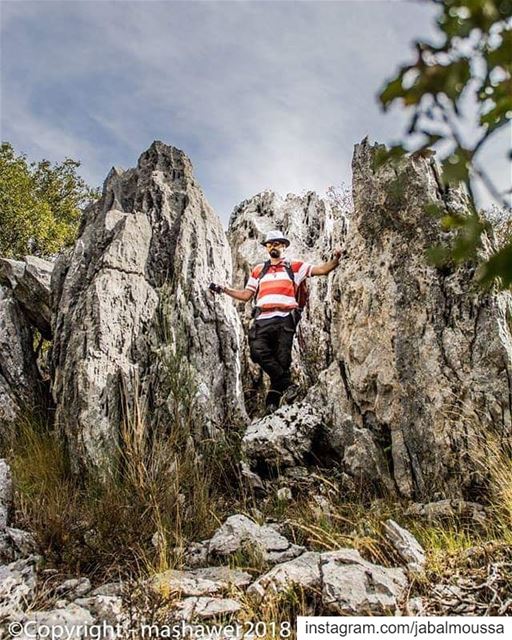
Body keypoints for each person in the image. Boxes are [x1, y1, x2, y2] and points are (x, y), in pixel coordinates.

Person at [209, 230, 343, 414]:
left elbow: (322, 270)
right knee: (257, 352)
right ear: (266, 248)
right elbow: (246, 295)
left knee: (282, 362)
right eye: (270, 244)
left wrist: (336, 260)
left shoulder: (295, 267)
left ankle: (271, 407)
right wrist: (223, 289)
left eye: (277, 243)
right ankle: (287, 385)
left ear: (284, 246)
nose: (273, 246)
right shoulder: (258, 270)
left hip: (285, 320)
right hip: (263, 319)